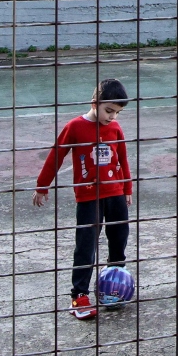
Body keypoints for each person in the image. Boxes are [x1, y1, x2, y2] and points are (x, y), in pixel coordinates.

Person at [35, 78, 134, 320]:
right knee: (86, 244)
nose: (112, 117)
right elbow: (55, 156)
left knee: (119, 235)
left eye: (117, 113)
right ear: (94, 102)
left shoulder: (115, 129)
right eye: (108, 110)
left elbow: (123, 158)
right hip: (89, 196)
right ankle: (79, 295)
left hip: (116, 193)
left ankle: (115, 282)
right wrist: (42, 186)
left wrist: (128, 188)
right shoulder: (75, 127)